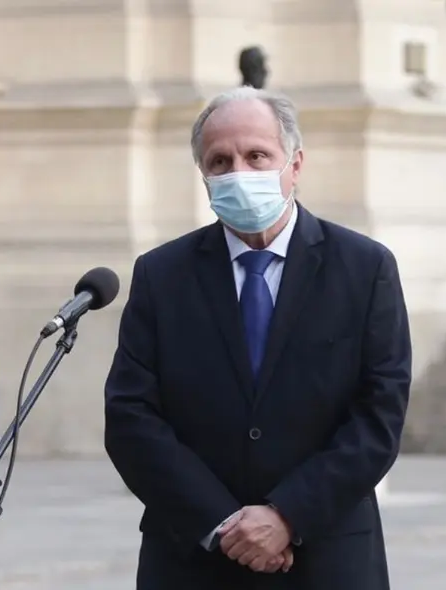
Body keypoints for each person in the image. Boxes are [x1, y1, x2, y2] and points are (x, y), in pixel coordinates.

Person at [104, 86, 412, 590]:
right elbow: (131, 417)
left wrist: (287, 515)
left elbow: (379, 417)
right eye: (220, 161)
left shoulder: (363, 268)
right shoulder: (162, 275)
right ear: (204, 177)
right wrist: (224, 525)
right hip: (191, 557)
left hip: (326, 556)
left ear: (294, 164)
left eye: (257, 156)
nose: (239, 173)